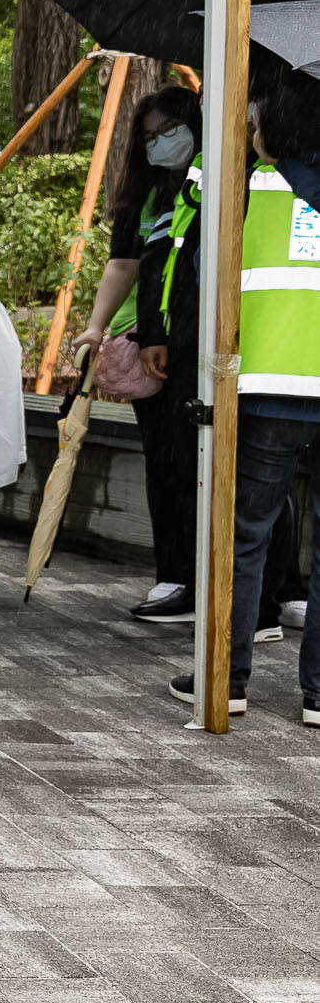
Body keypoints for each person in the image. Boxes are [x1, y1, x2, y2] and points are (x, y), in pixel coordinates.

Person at [165, 68, 320, 722]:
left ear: (271, 125)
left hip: (269, 388)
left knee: (245, 535)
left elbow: (207, 281)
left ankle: (226, 679)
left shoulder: (244, 191)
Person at [74, 86, 202, 623]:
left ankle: (268, 590)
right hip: (155, 350)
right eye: (150, 137)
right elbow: (123, 266)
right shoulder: (148, 195)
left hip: (207, 347)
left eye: (170, 130)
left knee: (227, 467)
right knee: (169, 463)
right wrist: (96, 328)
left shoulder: (223, 182)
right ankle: (176, 575)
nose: (159, 144)